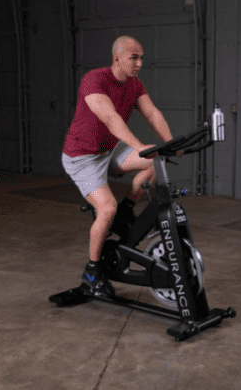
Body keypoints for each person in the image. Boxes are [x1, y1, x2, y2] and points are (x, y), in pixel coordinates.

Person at [61, 35, 182, 297]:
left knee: (156, 158)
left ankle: (128, 208)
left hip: (109, 151)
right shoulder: (94, 80)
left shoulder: (134, 85)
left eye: (141, 58)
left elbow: (151, 113)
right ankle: (92, 271)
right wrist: (139, 146)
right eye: (133, 58)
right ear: (117, 58)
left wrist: (169, 142)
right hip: (82, 157)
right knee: (106, 209)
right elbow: (110, 118)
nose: (139, 63)